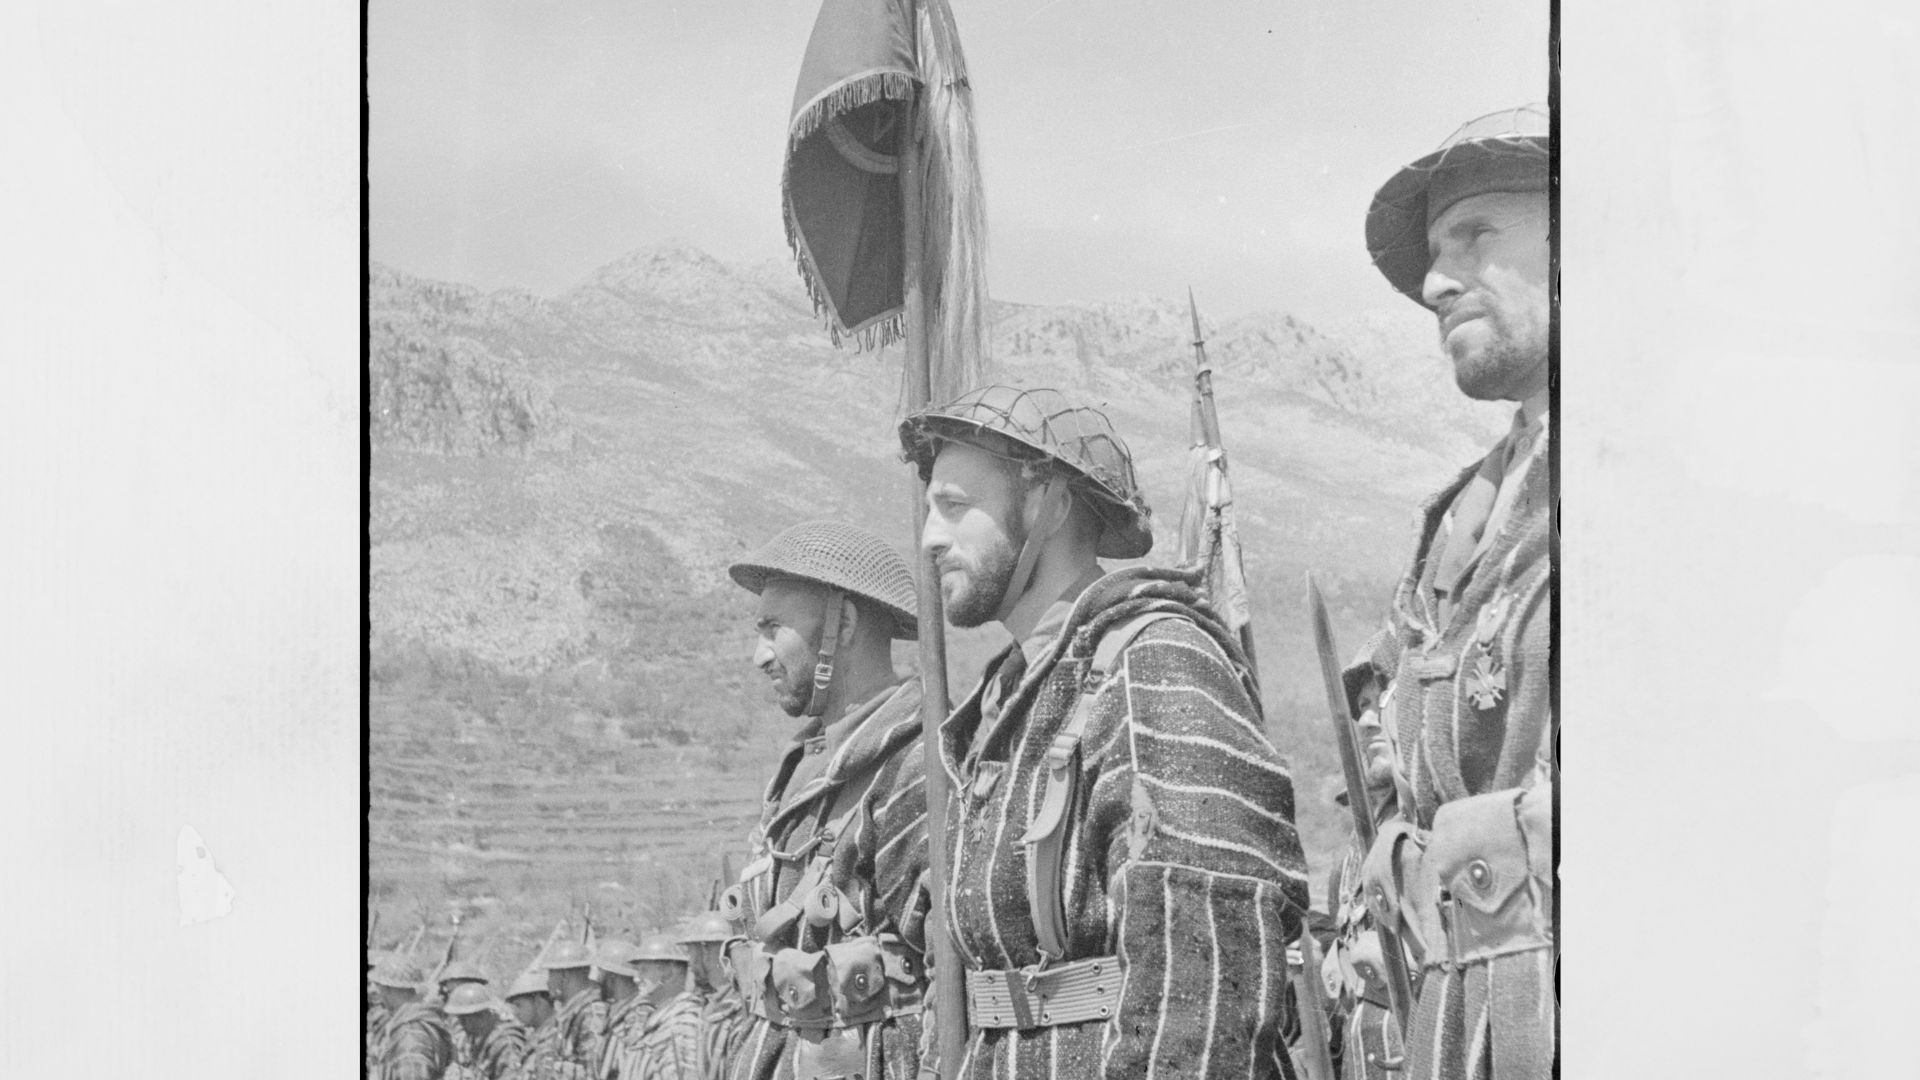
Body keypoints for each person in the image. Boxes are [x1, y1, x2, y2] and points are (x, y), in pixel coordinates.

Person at [897, 385, 1311, 1079]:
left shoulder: (1155, 661)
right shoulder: (1007, 702)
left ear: (1048, 505)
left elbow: (1205, 979)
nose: (929, 539)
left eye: (955, 507)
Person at [1352, 102, 1555, 1080]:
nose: (1436, 284)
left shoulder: (1683, 472)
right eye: (1436, 251)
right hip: (1455, 1023)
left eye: (1476, 235)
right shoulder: (1452, 525)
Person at [720, 520, 932, 1080]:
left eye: (773, 628)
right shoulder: (802, 770)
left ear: (845, 622)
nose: (759, 656)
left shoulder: (916, 764)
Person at [676, 912, 750, 1080]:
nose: (689, 963)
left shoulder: (739, 1011)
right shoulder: (713, 1005)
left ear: (705, 951)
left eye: (691, 953)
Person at [623, 934, 704, 1080]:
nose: (636, 978)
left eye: (644, 970)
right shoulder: (662, 1018)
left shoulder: (682, 1022)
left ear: (669, 973)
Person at [368, 955, 456, 1080]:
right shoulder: (411, 1021)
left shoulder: (410, 1033)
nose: (373, 990)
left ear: (388, 987)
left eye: (377, 985)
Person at [542, 941, 610, 1080]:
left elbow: (593, 1071)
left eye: (551, 974)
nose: (547, 982)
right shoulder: (573, 1013)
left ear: (565, 976)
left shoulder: (592, 1013)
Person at [444, 982, 532, 1080]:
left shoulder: (505, 1042)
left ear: (483, 1015)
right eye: (461, 1019)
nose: (463, 1025)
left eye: (466, 1019)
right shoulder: (477, 1039)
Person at [504, 970, 558, 1079]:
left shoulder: (557, 1035)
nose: (516, 1013)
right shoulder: (535, 1037)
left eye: (519, 1005)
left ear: (538, 1001)